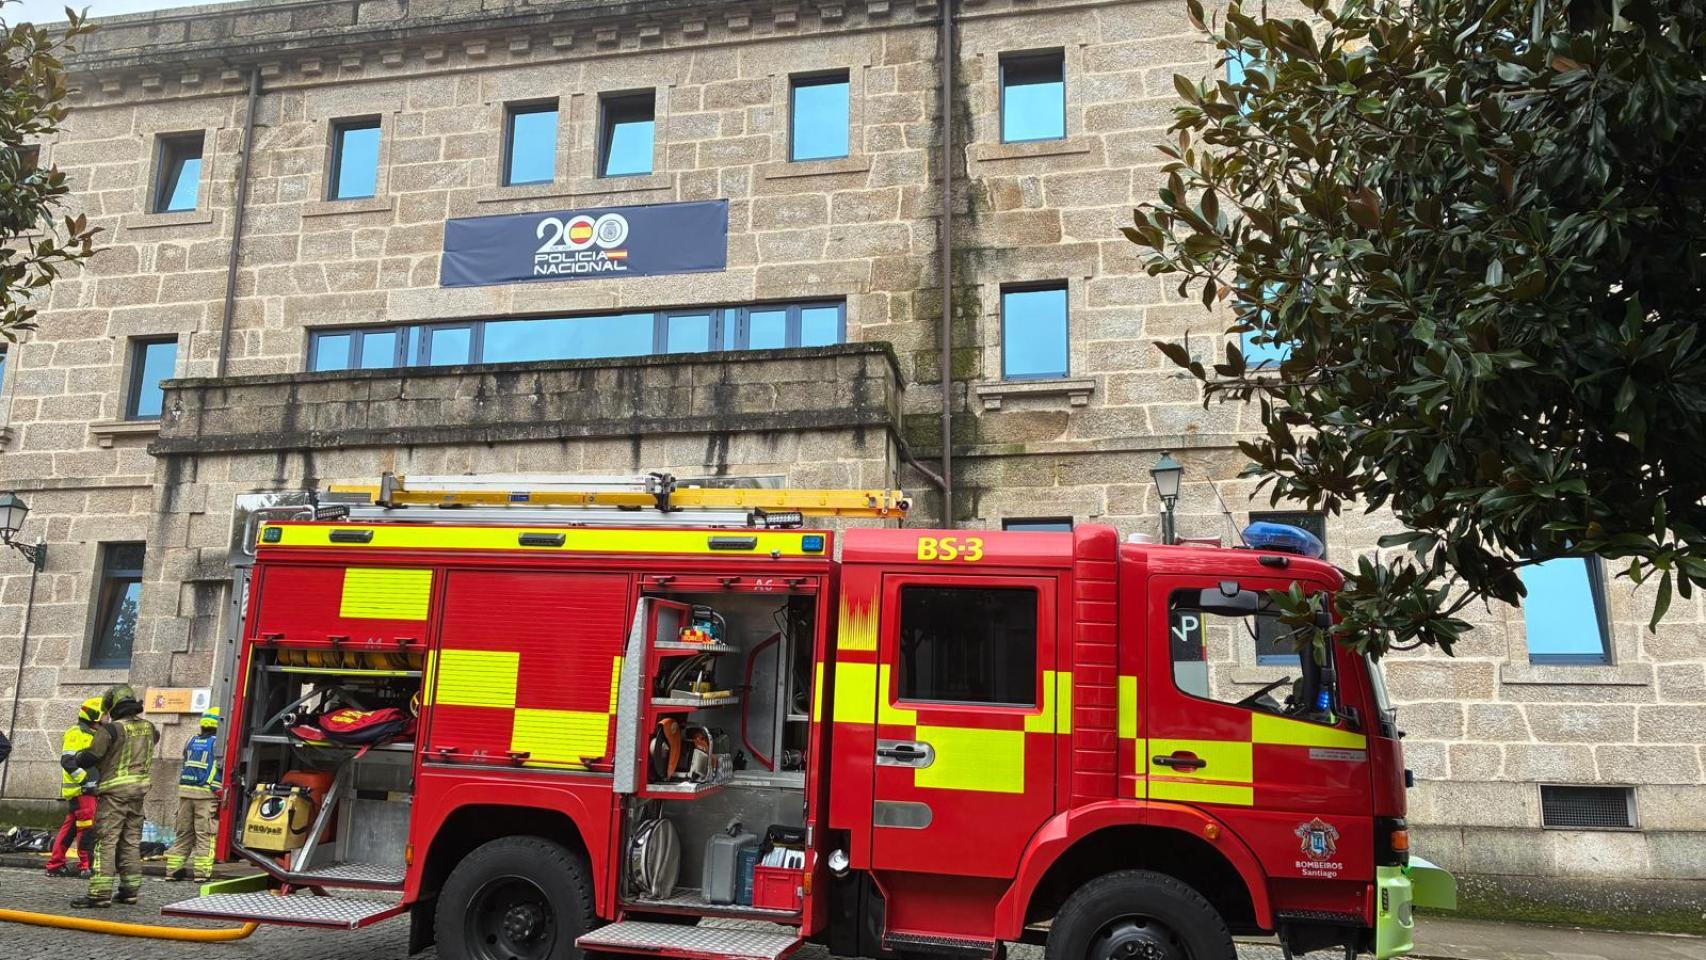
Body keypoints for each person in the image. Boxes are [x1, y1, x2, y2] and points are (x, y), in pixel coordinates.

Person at [64, 684, 158, 909]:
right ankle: (129, 891)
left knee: (105, 841)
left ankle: (99, 893)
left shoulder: (111, 730)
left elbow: (90, 757)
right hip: (138, 794)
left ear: (114, 707)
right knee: (130, 841)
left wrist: (78, 756)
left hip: (113, 794)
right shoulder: (149, 728)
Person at [45, 697, 104, 878]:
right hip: (82, 791)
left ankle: (55, 864)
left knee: (70, 828)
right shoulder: (76, 732)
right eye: (104, 714)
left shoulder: (93, 734)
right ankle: (85, 866)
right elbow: (68, 761)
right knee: (86, 828)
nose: (107, 718)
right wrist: (86, 781)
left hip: (88, 790)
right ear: (94, 714)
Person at [165, 708, 222, 882]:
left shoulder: (191, 740)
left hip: (185, 793)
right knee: (205, 835)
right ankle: (202, 873)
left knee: (183, 834)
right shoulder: (217, 743)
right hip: (206, 794)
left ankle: (173, 871)